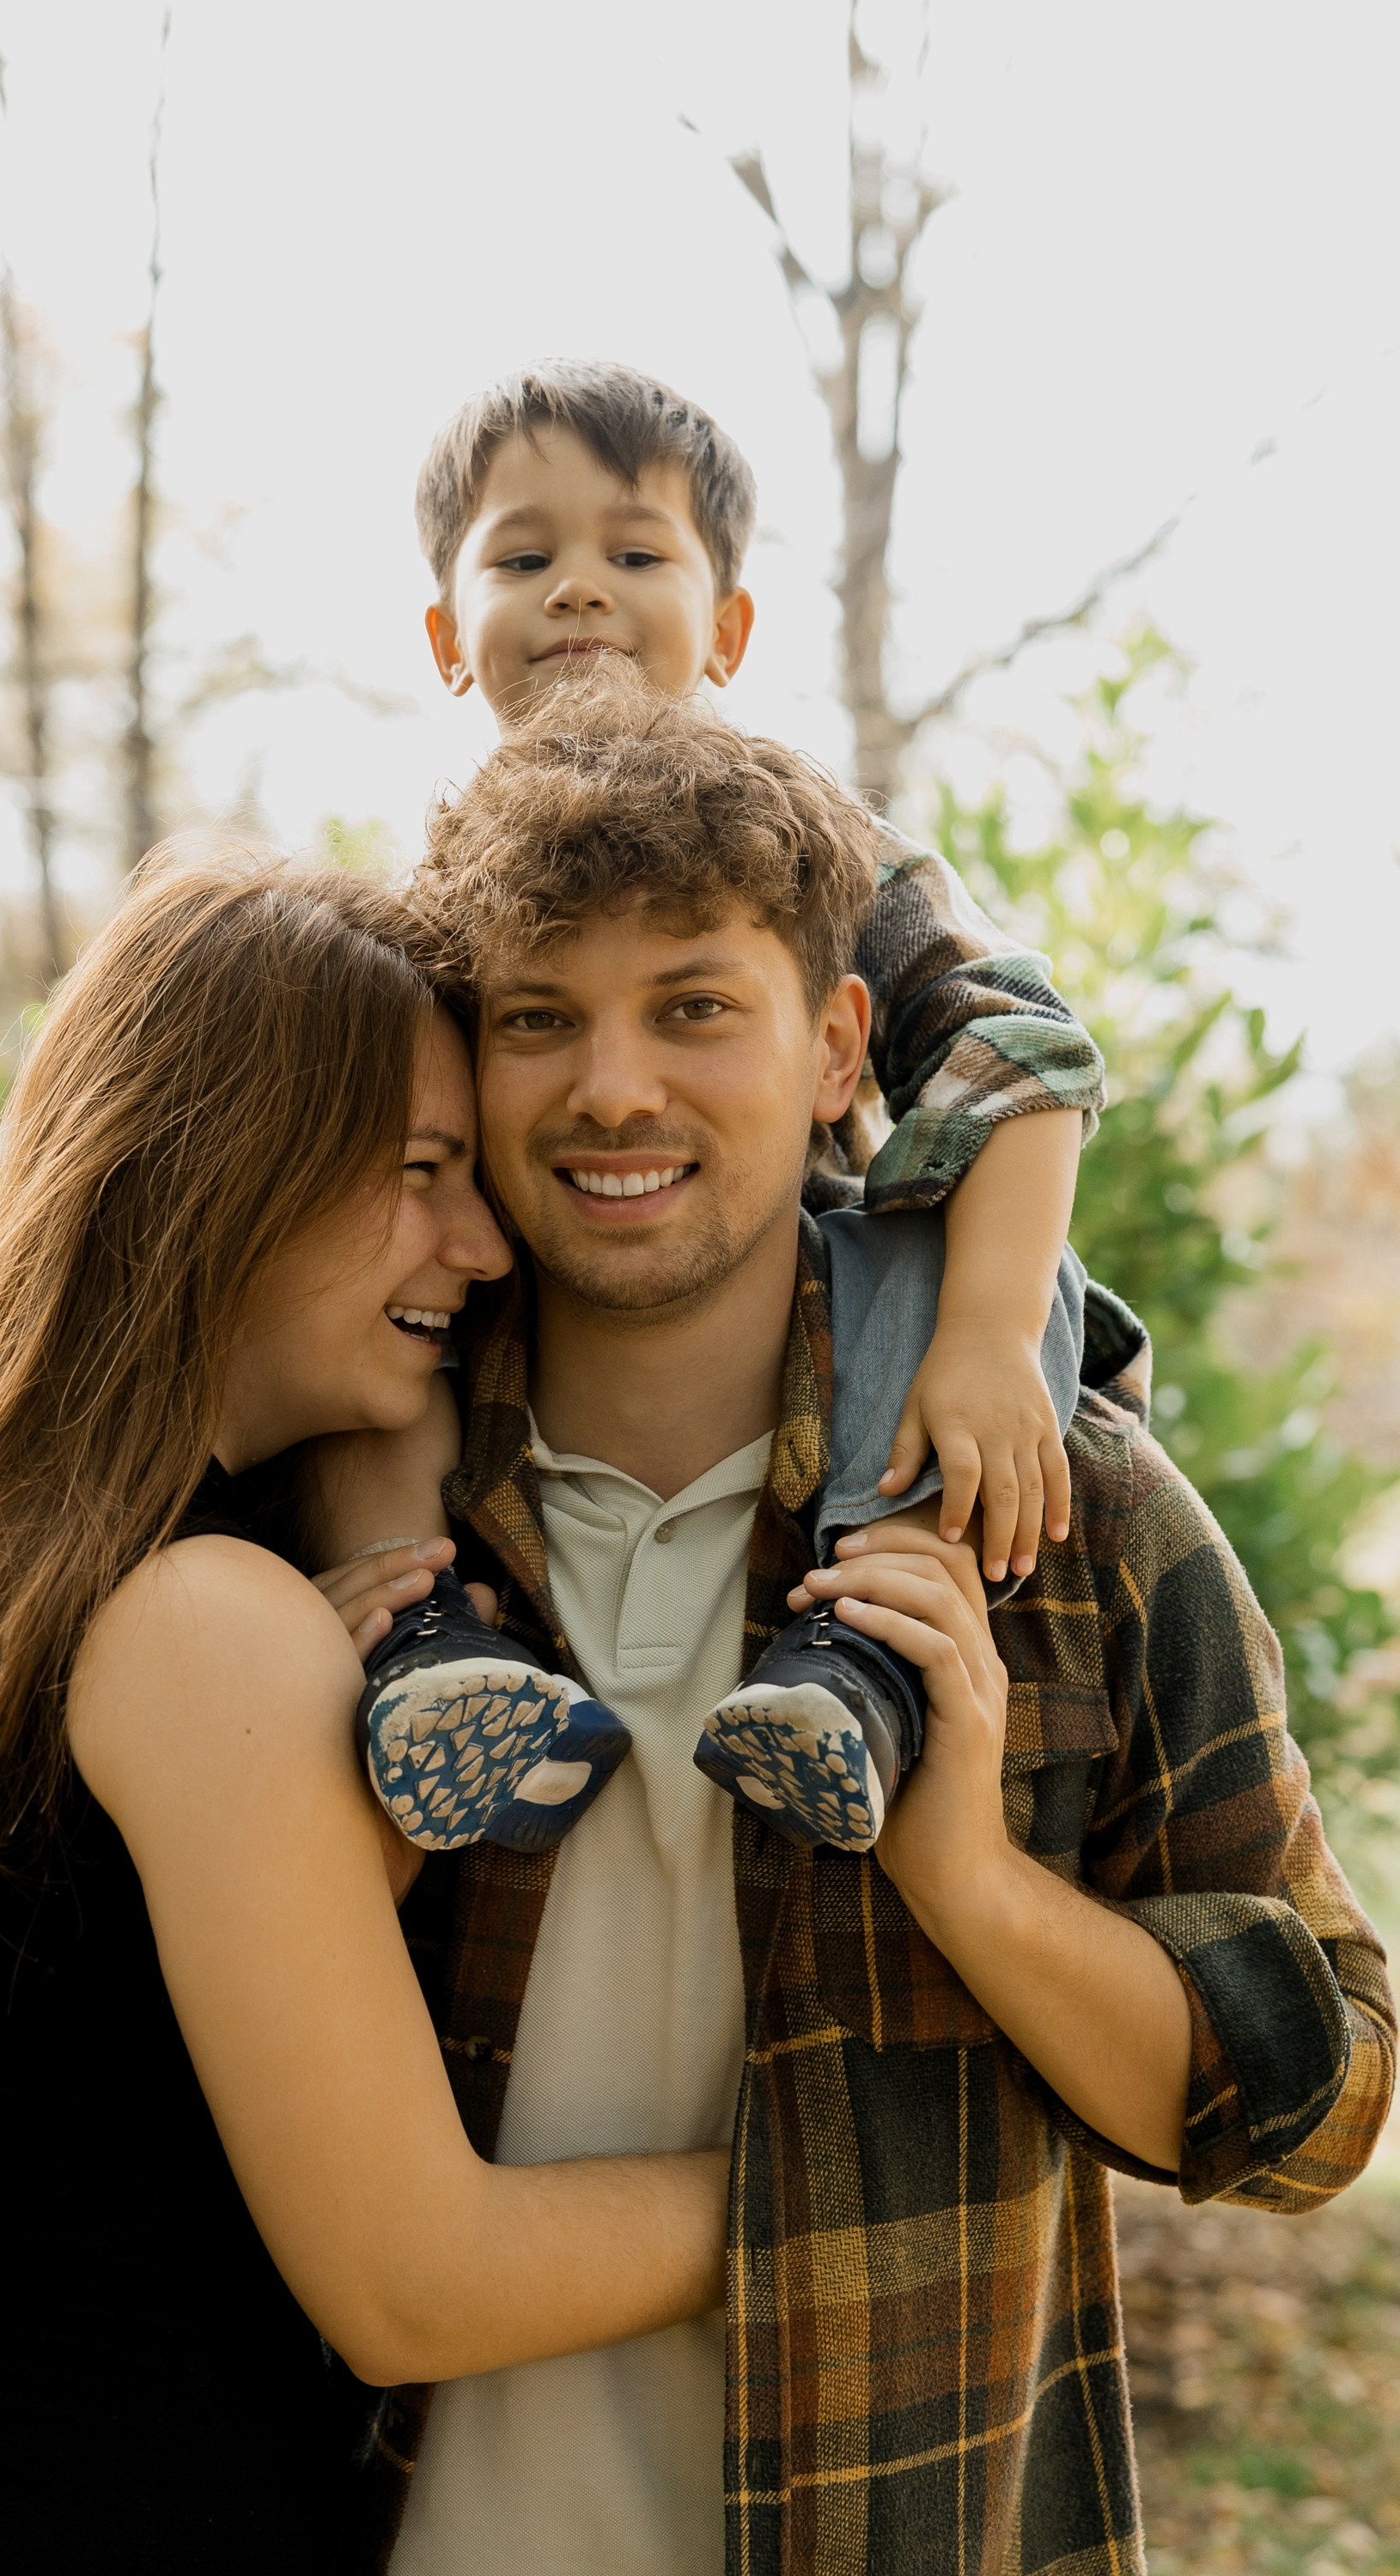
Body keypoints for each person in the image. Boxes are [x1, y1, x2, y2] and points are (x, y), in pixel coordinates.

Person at [331, 678, 1394, 2576]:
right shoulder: (355, 1521)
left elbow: (1316, 2110)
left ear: (837, 1050)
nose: (611, 1091)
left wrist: (970, 1877)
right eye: (537, 1020)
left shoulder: (1057, 1518)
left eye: (693, 1008)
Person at [0, 853, 733, 2574]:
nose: (477, 1247)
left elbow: (59, 2083)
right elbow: (417, 2284)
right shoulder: (203, 1628)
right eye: (417, 1174)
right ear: (216, 1172)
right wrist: (844, 2185)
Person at [346, 359, 1116, 1863]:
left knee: (967, 1257)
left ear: (730, 626)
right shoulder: (426, 897)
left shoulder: (807, 849)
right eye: (524, 557)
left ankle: (869, 1642)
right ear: (447, 637)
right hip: (508, 1315)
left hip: (801, 1318)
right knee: (339, 1295)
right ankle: (424, 1641)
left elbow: (1019, 1053)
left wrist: (980, 1339)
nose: (578, 591)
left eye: (635, 555)